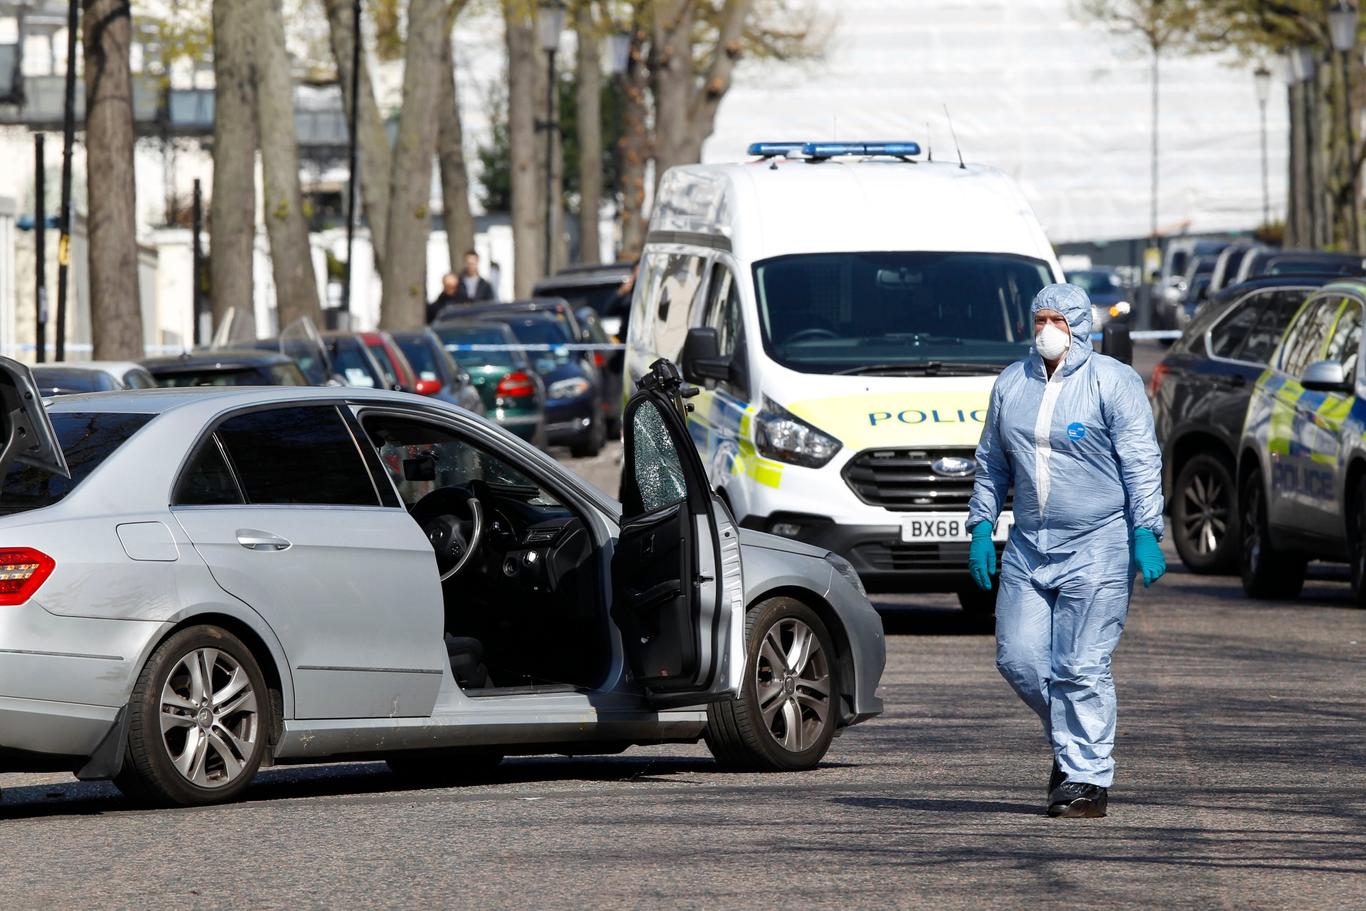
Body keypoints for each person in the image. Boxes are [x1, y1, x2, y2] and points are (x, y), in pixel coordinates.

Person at [966, 282, 1165, 819]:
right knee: (1020, 658)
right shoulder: (1012, 382)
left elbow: (1141, 461)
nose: (1048, 330)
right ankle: (1073, 748)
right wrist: (982, 525)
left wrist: (1146, 530)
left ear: (1082, 325)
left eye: (1059, 319)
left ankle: (1086, 779)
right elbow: (991, 461)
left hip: (1098, 540)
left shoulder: (1114, 382)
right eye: (1039, 320)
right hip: (1030, 544)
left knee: (1080, 664)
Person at [427, 250, 496, 323]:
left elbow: (490, 304)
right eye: (468, 263)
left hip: (479, 320)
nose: (470, 266)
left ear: (477, 263)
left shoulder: (485, 285)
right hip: (459, 320)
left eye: (473, 263)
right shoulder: (457, 282)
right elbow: (444, 299)